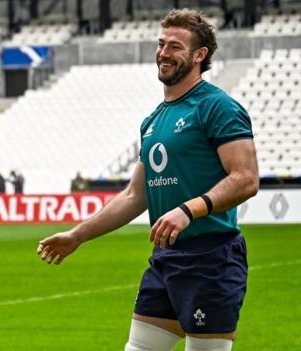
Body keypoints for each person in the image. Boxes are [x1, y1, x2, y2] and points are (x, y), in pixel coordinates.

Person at [37, 9, 258, 351]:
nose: (163, 53)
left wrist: (189, 210)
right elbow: (133, 196)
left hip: (211, 258)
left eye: (175, 46)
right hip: (165, 256)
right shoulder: (154, 120)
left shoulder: (218, 107)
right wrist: (77, 235)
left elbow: (245, 178)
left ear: (200, 55)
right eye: (161, 43)